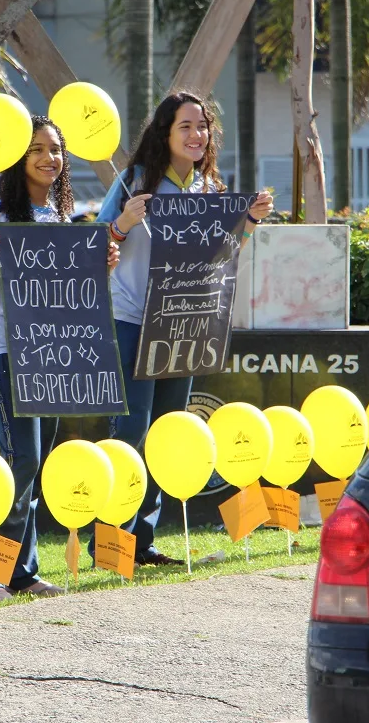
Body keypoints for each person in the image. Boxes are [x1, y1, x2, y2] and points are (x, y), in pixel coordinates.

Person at [95, 91, 274, 565]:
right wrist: (121, 224)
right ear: (164, 133)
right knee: (129, 433)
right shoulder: (133, 181)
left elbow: (222, 254)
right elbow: (93, 246)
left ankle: (142, 543)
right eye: (186, 126)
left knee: (167, 432)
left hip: (185, 325)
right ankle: (109, 545)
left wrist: (249, 222)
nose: (197, 135)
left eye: (203, 126)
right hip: (131, 319)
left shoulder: (210, 189)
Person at [0, 115, 120, 603]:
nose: (49, 157)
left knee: (33, 463)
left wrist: (102, 269)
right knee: (20, 459)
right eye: (37, 149)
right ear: (17, 157)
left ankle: (22, 572)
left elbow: (74, 299)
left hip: (54, 356)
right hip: (7, 352)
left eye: (55, 149)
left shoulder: (62, 220)